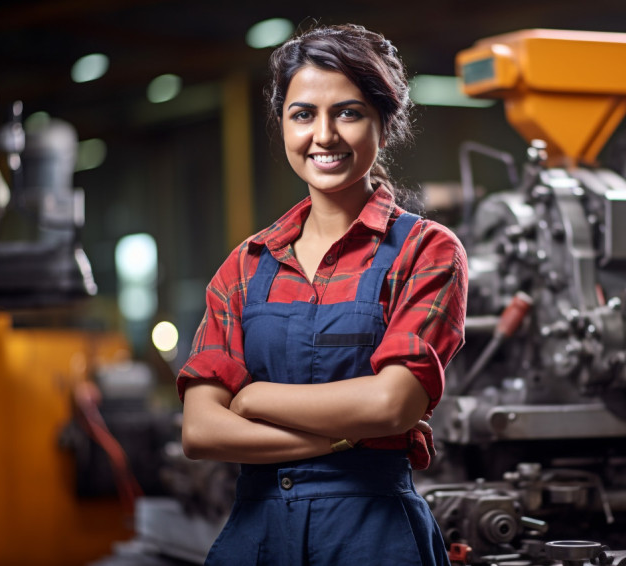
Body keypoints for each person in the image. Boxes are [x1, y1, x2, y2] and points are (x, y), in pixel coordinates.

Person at [176, 23, 468, 565]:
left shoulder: (425, 252)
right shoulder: (245, 265)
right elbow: (201, 430)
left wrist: (255, 398)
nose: (324, 135)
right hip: (256, 537)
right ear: (284, 125)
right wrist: (336, 440)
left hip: (374, 539)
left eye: (349, 113)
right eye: (303, 114)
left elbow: (392, 403)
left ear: (384, 122)